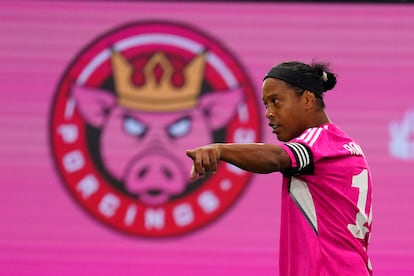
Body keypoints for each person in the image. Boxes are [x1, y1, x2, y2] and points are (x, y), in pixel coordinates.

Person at [185, 61, 373, 276]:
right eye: (266, 104)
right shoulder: (343, 146)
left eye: (276, 101)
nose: (269, 113)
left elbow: (276, 157)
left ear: (308, 100)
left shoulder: (318, 142)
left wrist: (220, 150)